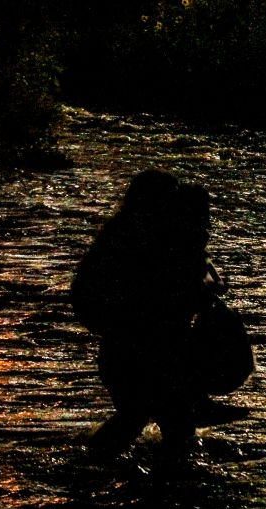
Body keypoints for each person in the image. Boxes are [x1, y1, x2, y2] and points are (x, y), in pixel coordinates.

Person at [71, 170, 243, 455]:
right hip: (146, 353)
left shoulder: (121, 234)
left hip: (124, 350)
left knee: (141, 418)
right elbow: (183, 295)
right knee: (161, 423)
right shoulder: (155, 242)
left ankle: (94, 468)